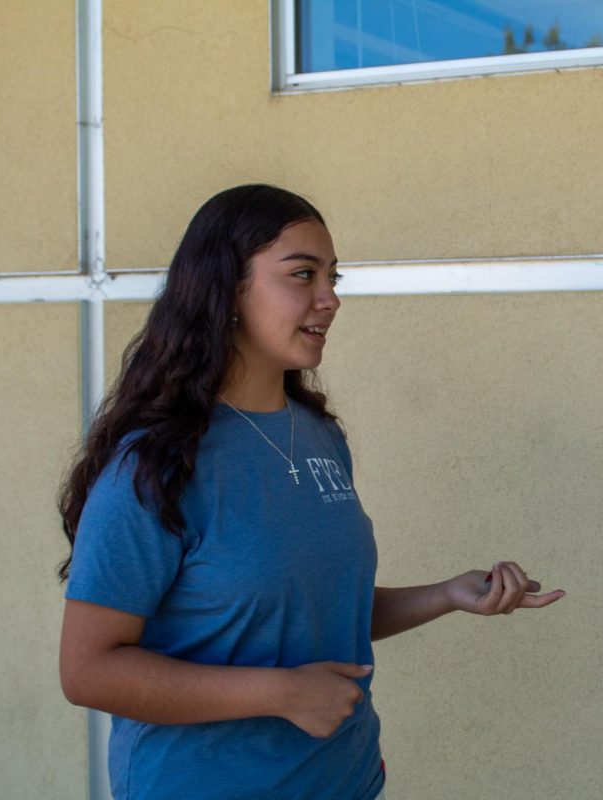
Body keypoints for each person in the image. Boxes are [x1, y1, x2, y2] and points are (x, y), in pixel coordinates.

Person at [57, 184, 564, 800]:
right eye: (302, 274)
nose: (330, 299)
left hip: (344, 783)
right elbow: (88, 671)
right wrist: (282, 693)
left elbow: (309, 611)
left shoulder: (319, 434)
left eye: (333, 277)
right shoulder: (154, 466)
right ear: (227, 288)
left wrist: (447, 594)